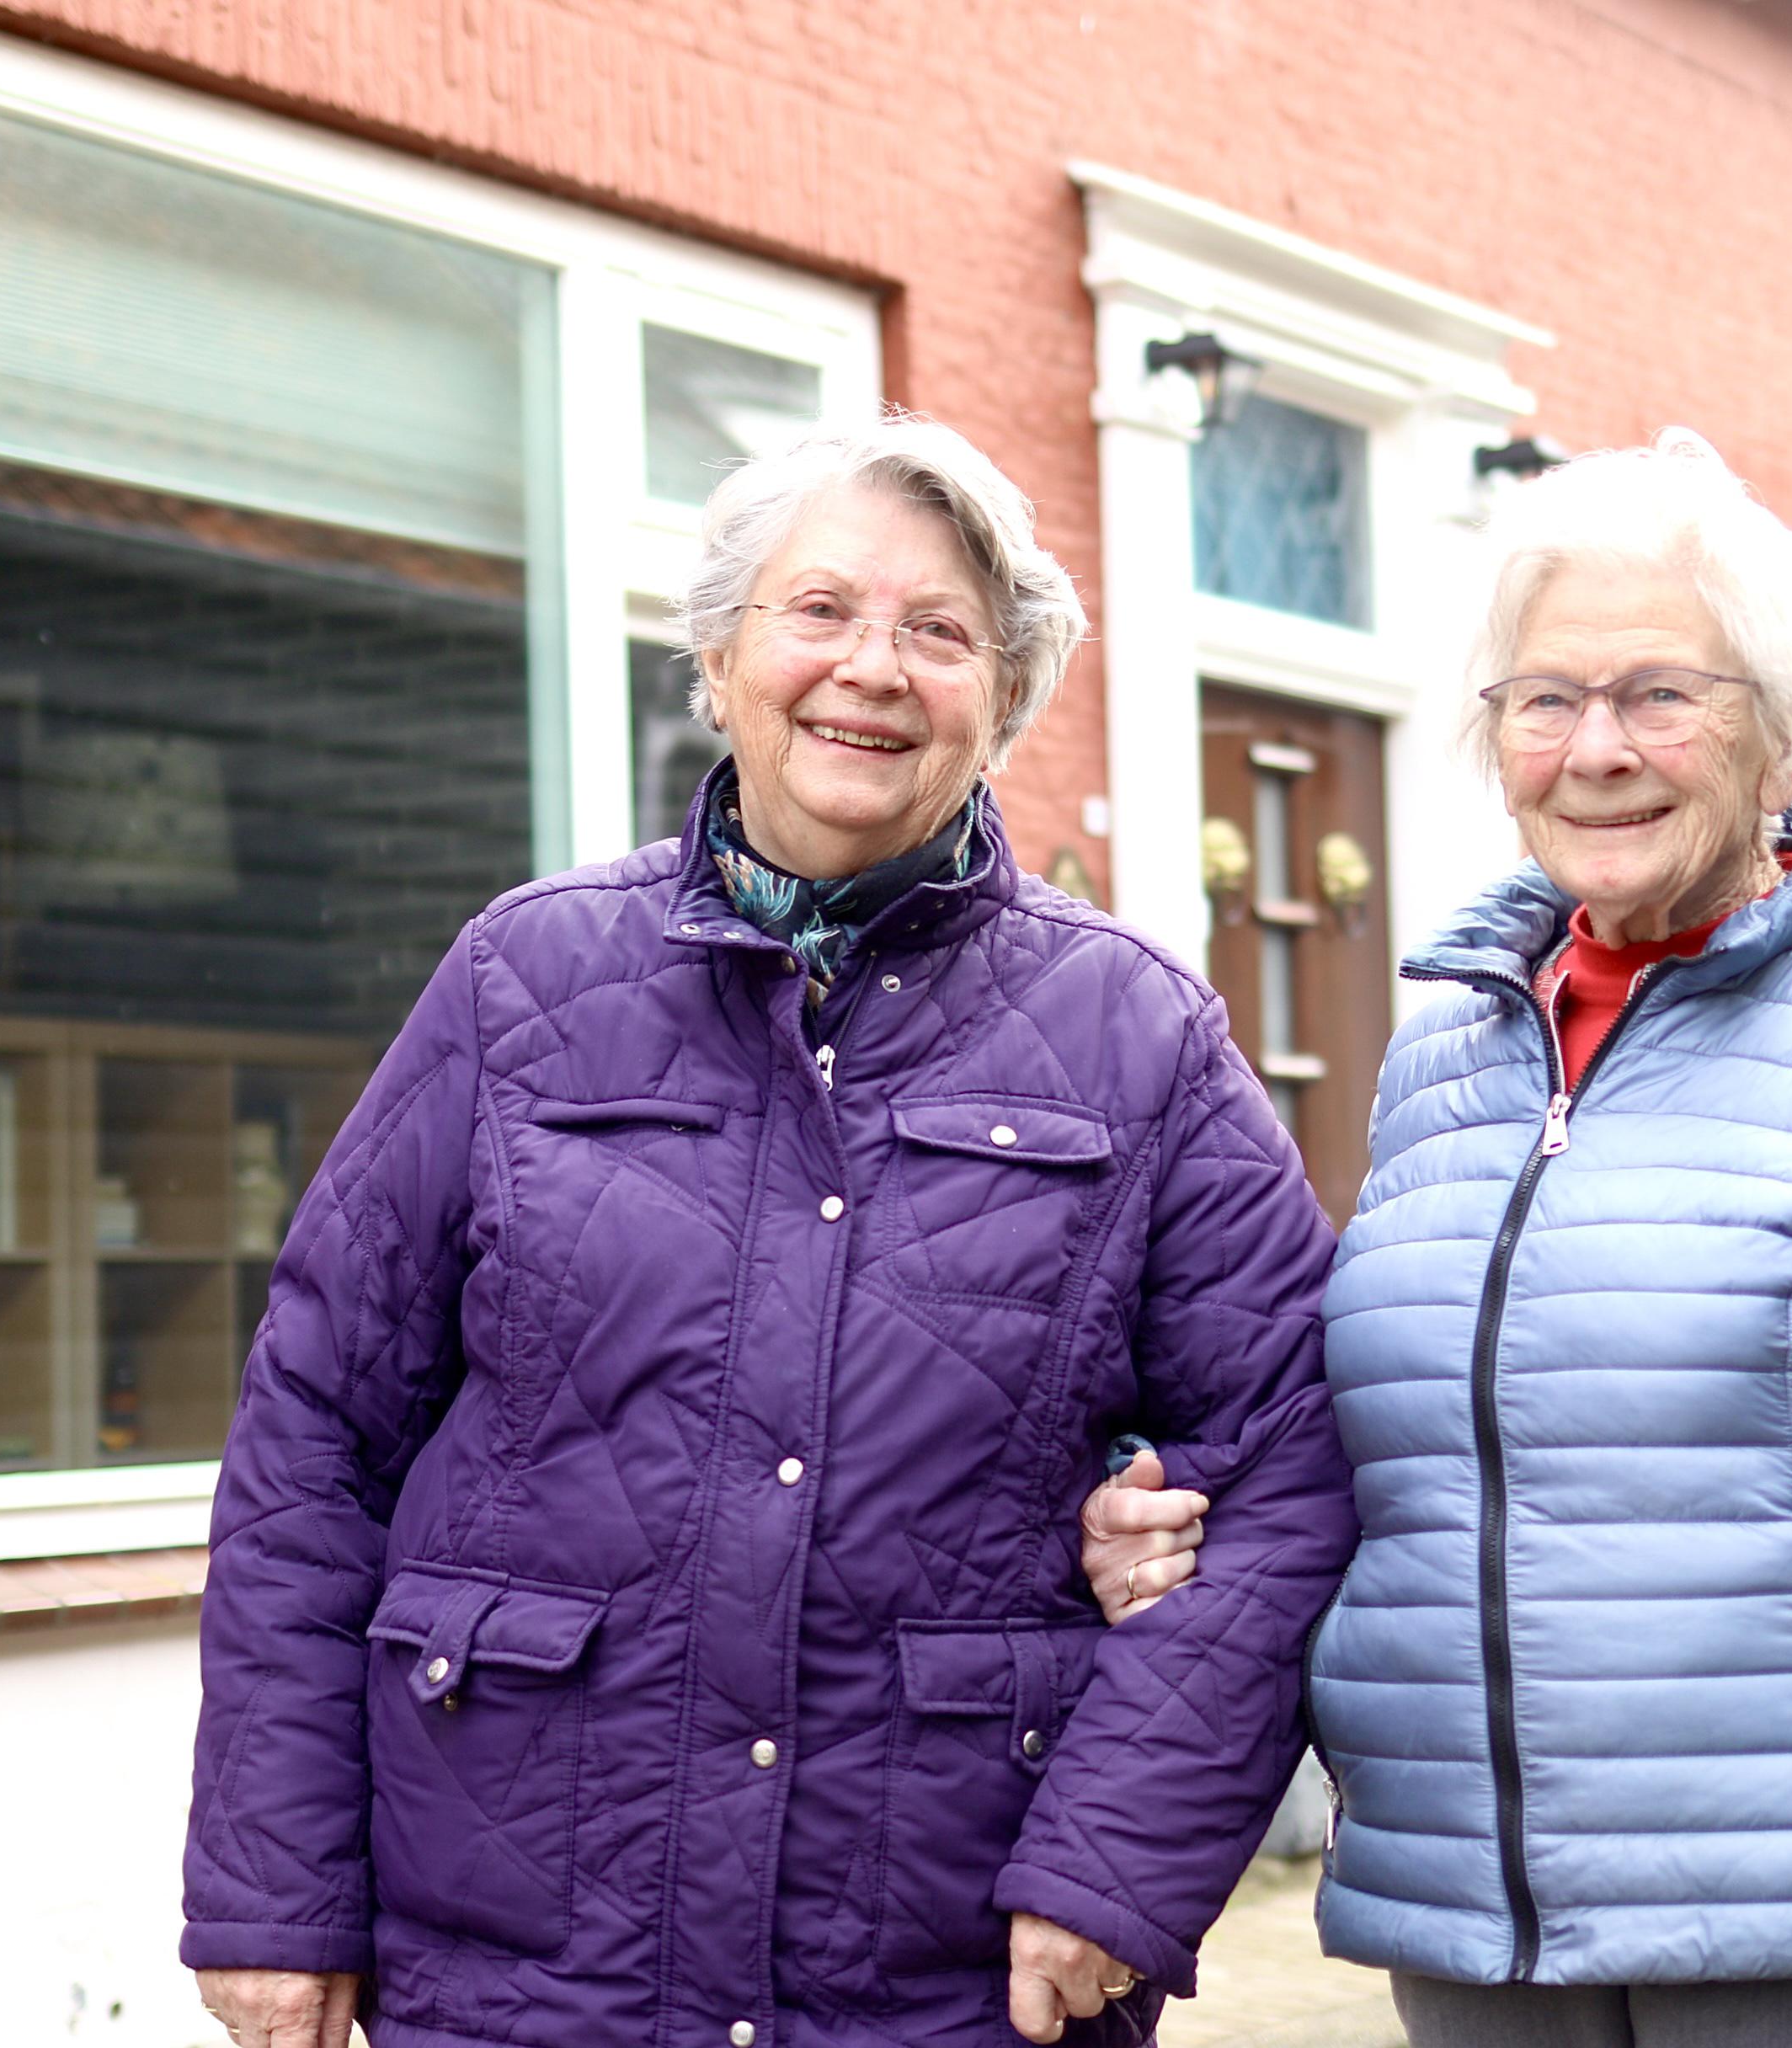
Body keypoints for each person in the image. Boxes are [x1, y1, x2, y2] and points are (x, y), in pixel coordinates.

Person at [182, 415, 1361, 2048]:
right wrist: (275, 1892)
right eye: (820, 611)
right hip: (525, 1948)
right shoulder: (524, 983)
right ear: (724, 659)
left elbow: (1294, 1462)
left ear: (1002, 701)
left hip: (948, 1971)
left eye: (940, 632)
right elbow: (313, 1441)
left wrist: (1122, 1857)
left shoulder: (1135, 1037)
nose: (872, 667)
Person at [1086, 431, 1792, 2048]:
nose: (1593, 748)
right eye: (1543, 700)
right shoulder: (1447, 1064)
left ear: (1780, 735)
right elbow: (1399, 1467)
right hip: (1481, 1945)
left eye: (1660, 693)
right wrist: (1162, 1523)